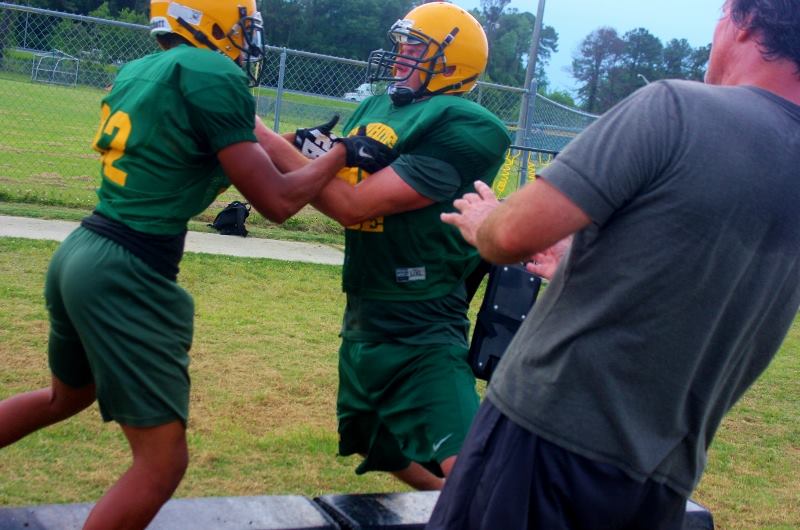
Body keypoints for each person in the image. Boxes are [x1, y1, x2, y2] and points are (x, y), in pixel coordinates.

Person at [0, 1, 391, 528]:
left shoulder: (142, 69)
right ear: (210, 18)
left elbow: (195, 158)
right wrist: (341, 154)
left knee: (62, 398)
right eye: (243, 25)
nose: (247, 39)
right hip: (128, 270)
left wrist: (295, 145)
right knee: (161, 464)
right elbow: (277, 203)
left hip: (83, 251)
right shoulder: (211, 69)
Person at [429, 0, 800, 528]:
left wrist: (484, 220)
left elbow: (509, 237)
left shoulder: (676, 108)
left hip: (545, 441)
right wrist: (582, 259)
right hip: (661, 475)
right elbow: (711, 276)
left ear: (745, 22)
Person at [257, 2, 510, 490]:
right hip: (363, 311)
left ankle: (474, 508)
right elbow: (335, 175)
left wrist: (262, 136)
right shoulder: (375, 107)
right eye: (401, 46)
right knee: (374, 442)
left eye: (414, 49)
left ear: (451, 63)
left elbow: (352, 205)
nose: (399, 57)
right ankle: (453, 509)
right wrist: (300, 147)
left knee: (475, 473)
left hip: (421, 319)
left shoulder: (467, 125)